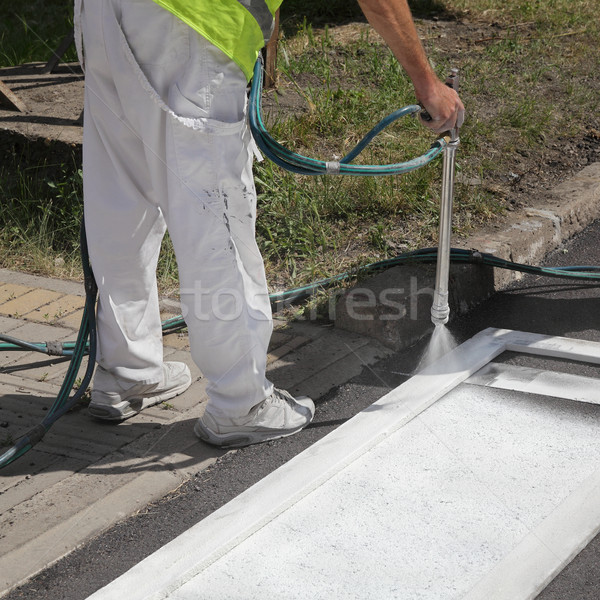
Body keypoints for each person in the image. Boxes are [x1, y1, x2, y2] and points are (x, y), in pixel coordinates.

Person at [76, 0, 464, 448]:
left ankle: (126, 371)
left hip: (103, 14)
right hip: (191, 23)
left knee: (122, 197)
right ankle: (240, 403)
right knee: (213, 213)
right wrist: (427, 82)